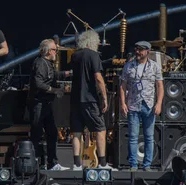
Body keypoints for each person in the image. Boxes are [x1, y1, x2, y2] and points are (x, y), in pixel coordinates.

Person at [69, 30, 113, 170]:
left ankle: (76, 164)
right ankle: (103, 164)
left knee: (76, 131)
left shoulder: (75, 55)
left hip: (75, 98)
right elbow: (98, 78)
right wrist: (105, 97)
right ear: (90, 42)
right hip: (89, 99)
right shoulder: (93, 55)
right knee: (101, 129)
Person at [119, 41, 164, 171]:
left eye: (140, 50)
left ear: (147, 51)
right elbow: (122, 86)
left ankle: (147, 165)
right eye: (136, 49)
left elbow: (160, 86)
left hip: (148, 105)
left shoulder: (155, 66)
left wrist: (159, 103)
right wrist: (122, 103)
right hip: (133, 104)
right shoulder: (129, 66)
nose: (137, 52)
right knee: (133, 137)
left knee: (149, 137)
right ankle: (133, 165)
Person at [28, 38, 71, 170]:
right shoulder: (40, 63)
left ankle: (52, 163)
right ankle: (35, 164)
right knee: (37, 134)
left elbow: (52, 76)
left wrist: (67, 73)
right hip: (38, 104)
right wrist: (54, 90)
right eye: (54, 50)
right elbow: (38, 83)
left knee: (52, 133)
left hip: (46, 103)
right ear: (47, 51)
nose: (56, 52)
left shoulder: (47, 63)